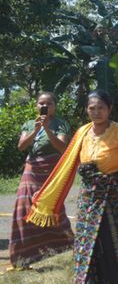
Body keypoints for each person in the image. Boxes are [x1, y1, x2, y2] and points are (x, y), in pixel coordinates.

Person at [26, 90, 118, 284]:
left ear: (110, 108)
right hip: (88, 197)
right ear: (87, 109)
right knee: (86, 247)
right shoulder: (82, 132)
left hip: (115, 196)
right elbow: (67, 162)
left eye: (101, 108)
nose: (96, 112)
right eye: (92, 108)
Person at [9, 92, 73, 270]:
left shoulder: (61, 124)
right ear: (36, 105)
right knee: (23, 210)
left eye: (49, 103)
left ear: (55, 106)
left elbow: (62, 147)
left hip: (51, 171)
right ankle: (22, 258)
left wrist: (47, 129)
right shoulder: (30, 124)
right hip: (31, 170)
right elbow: (21, 146)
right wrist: (36, 130)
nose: (44, 106)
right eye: (41, 103)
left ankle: (67, 249)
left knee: (53, 210)